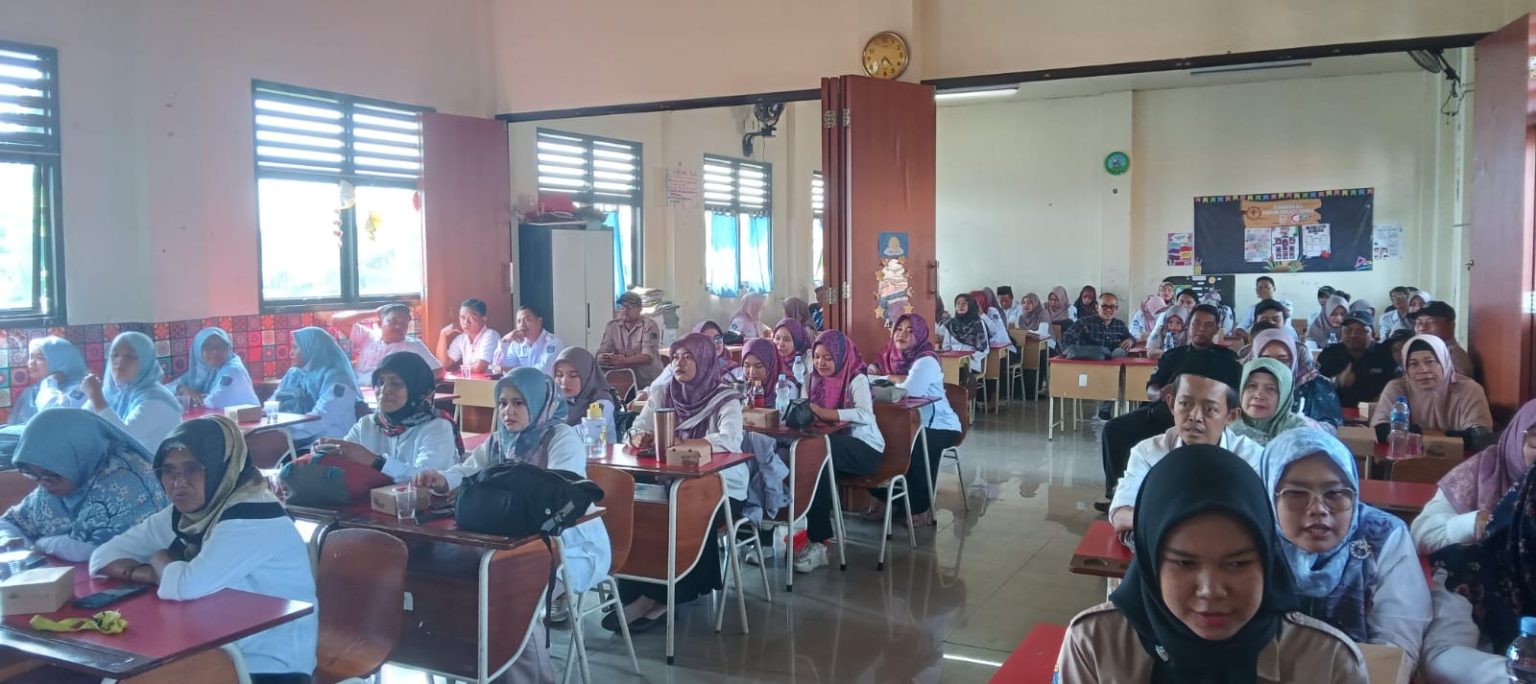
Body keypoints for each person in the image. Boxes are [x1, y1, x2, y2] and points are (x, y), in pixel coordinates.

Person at [1058, 444, 1368, 682]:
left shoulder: (1326, 663)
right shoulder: (1095, 645)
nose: (1211, 590)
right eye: (1184, 563)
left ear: (1266, 562)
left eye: (1237, 564)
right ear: (1152, 564)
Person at [91, 416, 318, 681]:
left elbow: (186, 585)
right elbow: (102, 558)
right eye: (168, 470)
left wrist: (161, 558)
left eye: (193, 469)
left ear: (222, 467)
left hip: (270, 664)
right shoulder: (184, 515)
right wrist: (150, 573)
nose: (179, 482)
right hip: (209, 643)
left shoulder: (252, 516)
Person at [414, 369, 611, 644]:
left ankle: (520, 656)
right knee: (463, 576)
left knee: (510, 595)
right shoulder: (499, 440)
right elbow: (469, 470)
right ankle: (482, 650)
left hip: (571, 545)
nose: (508, 411)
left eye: (519, 402)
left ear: (540, 402)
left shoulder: (560, 437)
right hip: (513, 539)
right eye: (503, 403)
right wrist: (442, 479)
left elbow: (558, 492)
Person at [1261, 429, 1430, 665]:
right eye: (1297, 493)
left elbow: (1395, 650)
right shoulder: (1253, 539)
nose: (1318, 509)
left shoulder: (1383, 536)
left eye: (1335, 493)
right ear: (1270, 495)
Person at [617, 334, 747, 627]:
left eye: (688, 357)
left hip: (721, 487)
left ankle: (666, 596)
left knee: (683, 513)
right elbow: (634, 429)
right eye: (675, 357)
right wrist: (639, 437)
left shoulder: (725, 398)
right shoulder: (664, 394)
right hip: (670, 482)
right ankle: (636, 591)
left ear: (705, 360)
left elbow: (730, 440)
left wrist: (679, 442)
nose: (680, 363)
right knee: (639, 511)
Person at [1096, 306, 1235, 511]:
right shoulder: (1173, 355)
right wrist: (1161, 393)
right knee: (1113, 429)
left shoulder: (1227, 360)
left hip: (1200, 420)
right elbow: (1151, 389)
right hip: (1161, 412)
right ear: (1188, 326)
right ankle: (1119, 495)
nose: (1201, 329)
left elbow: (1233, 398)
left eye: (1208, 325)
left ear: (1216, 329)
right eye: (1196, 323)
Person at [1110, 352, 1262, 532]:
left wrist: (1163, 518)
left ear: (1231, 416)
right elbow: (1121, 514)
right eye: (1185, 404)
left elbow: (1259, 522)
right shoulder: (1148, 453)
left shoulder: (1251, 459)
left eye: (1210, 409)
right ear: (1171, 404)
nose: (1195, 416)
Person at [1, 410, 168, 561]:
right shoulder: (58, 480)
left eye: (49, 475)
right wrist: (7, 540)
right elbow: (10, 522)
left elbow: (87, 551)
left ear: (77, 457)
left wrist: (39, 545)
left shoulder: (127, 480)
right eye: (33, 475)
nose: (42, 484)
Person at [798, 330, 885, 574]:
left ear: (841, 356)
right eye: (817, 357)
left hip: (865, 448)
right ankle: (815, 539)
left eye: (828, 357)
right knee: (812, 460)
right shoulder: (810, 379)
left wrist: (828, 414)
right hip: (828, 447)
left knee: (818, 452)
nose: (821, 363)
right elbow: (805, 410)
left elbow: (865, 415)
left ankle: (817, 541)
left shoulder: (856, 378)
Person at [866, 314, 961, 526]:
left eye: (910, 330)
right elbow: (868, 381)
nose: (902, 334)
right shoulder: (889, 355)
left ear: (919, 334)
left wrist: (889, 379)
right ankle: (887, 499)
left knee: (919, 445)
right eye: (899, 329)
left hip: (938, 425)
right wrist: (893, 378)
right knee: (873, 440)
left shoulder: (926, 359)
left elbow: (909, 391)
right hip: (907, 423)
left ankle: (921, 508)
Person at [1411, 399, 1536, 554]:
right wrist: (1474, 523)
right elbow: (1421, 535)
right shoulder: (1480, 471)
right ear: (1516, 437)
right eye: (1535, 437)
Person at [315, 352, 458, 484]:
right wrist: (329, 452)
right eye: (379, 382)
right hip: (373, 501)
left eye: (396, 384)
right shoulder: (366, 424)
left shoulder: (438, 427)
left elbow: (426, 479)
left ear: (417, 390)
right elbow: (344, 463)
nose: (384, 390)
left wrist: (376, 462)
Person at [1369, 335, 1492, 446]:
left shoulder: (1468, 389)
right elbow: (1379, 430)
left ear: (1444, 361)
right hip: (1407, 459)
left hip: (1459, 460)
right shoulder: (1398, 388)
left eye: (1430, 361)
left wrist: (1416, 434)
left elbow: (1480, 437)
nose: (1423, 369)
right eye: (1414, 364)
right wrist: (1445, 436)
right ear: (1406, 368)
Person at [82, 332, 181, 453]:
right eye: (115, 355)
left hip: (156, 463)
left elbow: (127, 438)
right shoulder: (116, 392)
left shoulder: (155, 399)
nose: (119, 361)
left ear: (145, 361)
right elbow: (82, 420)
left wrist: (96, 397)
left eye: (130, 357)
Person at [272, 327, 363, 448]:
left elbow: (321, 419)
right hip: (298, 438)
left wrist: (283, 430)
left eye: (296, 347)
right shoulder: (295, 374)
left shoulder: (337, 378)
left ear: (313, 348)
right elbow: (273, 405)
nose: (291, 353)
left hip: (331, 443)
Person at [1252, 329, 1344, 430]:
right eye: (1266, 360)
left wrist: (1302, 424)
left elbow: (1332, 428)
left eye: (1282, 360)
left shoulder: (1315, 384)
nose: (1275, 366)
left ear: (1293, 359)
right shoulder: (1246, 385)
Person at [329, 303, 442, 378]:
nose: (398, 326)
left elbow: (438, 371)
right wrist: (374, 313)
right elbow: (336, 320)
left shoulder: (413, 345)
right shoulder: (367, 336)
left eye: (404, 323)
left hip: (390, 396)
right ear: (379, 323)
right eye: (393, 321)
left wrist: (409, 384)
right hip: (359, 394)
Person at [1318, 309, 1399, 408]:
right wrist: (1337, 381)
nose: (1353, 335)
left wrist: (1385, 397)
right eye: (1348, 330)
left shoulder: (1385, 354)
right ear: (1341, 333)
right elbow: (1316, 387)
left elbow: (1396, 384)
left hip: (1376, 410)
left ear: (1373, 334)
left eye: (1361, 330)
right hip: (1335, 410)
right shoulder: (1330, 353)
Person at [169, 327, 259, 410]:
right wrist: (180, 388)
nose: (215, 351)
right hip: (220, 419)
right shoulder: (200, 371)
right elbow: (165, 390)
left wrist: (199, 398)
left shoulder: (233, 370)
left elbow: (215, 401)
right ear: (197, 350)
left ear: (229, 348)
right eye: (208, 347)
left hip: (244, 420)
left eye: (221, 346)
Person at [1233, 358, 1316, 444]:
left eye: (1271, 388)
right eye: (1252, 385)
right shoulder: (1225, 424)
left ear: (1285, 395)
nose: (1258, 395)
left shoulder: (1301, 434)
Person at [7, 336, 88, 424]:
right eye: (31, 357)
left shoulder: (82, 388)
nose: (31, 362)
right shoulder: (30, 392)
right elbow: (14, 425)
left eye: (39, 357)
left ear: (60, 361)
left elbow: (53, 417)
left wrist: (49, 382)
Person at [553, 346, 619, 442]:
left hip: (597, 451)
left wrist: (551, 435)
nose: (564, 381)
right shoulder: (554, 402)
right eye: (559, 375)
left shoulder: (602, 401)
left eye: (573, 375)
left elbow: (589, 432)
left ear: (587, 375)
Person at [598, 292, 663, 387]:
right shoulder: (612, 326)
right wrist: (602, 357)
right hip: (622, 379)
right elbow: (603, 351)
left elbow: (647, 357)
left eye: (629, 307)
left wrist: (624, 360)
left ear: (640, 308)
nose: (624, 311)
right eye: (622, 307)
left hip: (648, 381)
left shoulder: (649, 325)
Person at [1408, 301, 1476, 379]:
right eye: (1418, 323)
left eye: (1431, 322)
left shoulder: (1453, 356)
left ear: (1451, 325)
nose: (1422, 328)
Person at [437, 298, 500, 375]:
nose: (466, 322)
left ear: (483, 320)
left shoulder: (490, 335)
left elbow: (479, 367)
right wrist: (442, 334)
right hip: (469, 381)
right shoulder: (461, 339)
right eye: (462, 317)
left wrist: (460, 370)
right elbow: (444, 364)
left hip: (489, 382)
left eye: (472, 318)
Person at [493, 305, 563, 375]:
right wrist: (505, 340)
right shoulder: (515, 344)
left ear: (539, 322)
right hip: (519, 382)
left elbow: (545, 370)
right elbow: (495, 369)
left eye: (527, 320)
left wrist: (512, 371)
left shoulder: (553, 343)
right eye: (519, 321)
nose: (522, 325)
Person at [1062, 292, 1134, 357]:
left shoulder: (1120, 325)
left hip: (1113, 365)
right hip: (1088, 363)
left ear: (1116, 309)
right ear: (1097, 307)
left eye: (1112, 307)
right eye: (1104, 306)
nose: (1108, 310)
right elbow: (1066, 338)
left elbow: (1130, 337)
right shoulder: (1084, 323)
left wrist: (1131, 340)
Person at [942, 293, 992, 370]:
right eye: (958, 303)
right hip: (953, 363)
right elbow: (946, 346)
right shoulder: (951, 324)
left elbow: (985, 349)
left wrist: (968, 359)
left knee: (962, 374)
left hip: (971, 364)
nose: (960, 306)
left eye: (963, 303)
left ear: (970, 305)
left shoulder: (978, 323)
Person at [740, 338, 789, 404]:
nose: (752, 372)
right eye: (747, 365)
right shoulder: (738, 389)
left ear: (771, 365)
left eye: (758, 366)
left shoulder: (785, 390)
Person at [771, 317, 813, 390]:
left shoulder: (808, 358)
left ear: (797, 341)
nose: (780, 344)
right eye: (777, 338)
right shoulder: (771, 358)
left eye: (787, 340)